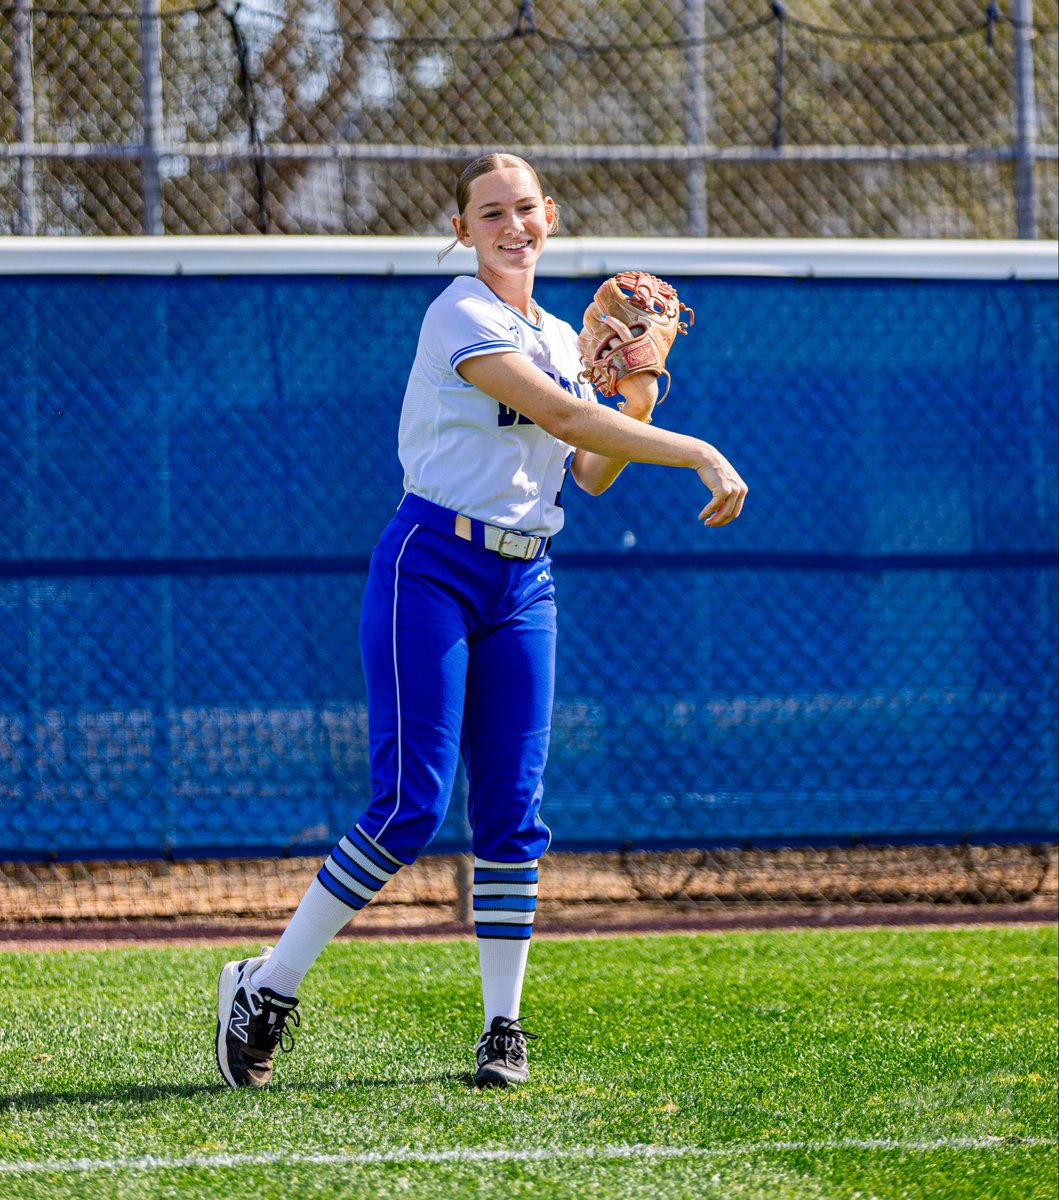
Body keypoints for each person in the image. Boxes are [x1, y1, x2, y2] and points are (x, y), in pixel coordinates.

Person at [215, 152, 747, 1090]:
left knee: (511, 810)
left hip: (524, 581)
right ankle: (266, 988)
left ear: (551, 215)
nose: (512, 226)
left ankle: (502, 1028)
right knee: (409, 807)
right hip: (431, 565)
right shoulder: (458, 312)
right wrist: (698, 449)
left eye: (525, 208)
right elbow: (563, 421)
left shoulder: (557, 334)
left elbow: (589, 472)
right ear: (461, 230)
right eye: (490, 212)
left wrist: (638, 386)